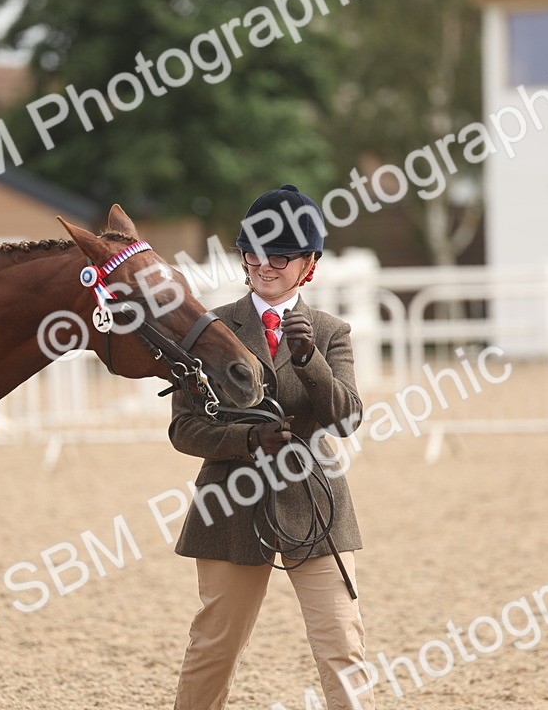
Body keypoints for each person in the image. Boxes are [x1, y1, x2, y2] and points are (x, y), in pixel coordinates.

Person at [169, 184, 375, 710]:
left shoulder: (330, 331)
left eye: (280, 256)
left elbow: (348, 417)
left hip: (315, 504)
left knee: (342, 645)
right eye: (255, 254)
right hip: (231, 502)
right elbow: (185, 430)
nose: (265, 266)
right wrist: (245, 439)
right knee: (214, 647)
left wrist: (311, 363)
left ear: (309, 264)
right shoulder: (208, 329)